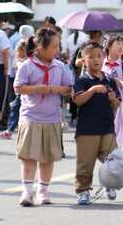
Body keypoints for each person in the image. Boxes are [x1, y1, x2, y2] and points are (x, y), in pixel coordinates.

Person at [14, 28, 73, 207]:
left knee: (47, 157)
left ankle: (43, 190)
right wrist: (38, 88)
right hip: (30, 116)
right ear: (40, 47)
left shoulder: (60, 66)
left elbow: (69, 88)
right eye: (54, 46)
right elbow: (18, 87)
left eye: (58, 46)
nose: (57, 49)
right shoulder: (27, 65)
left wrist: (57, 89)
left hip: (52, 117)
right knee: (29, 157)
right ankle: (27, 191)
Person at [73, 42, 121, 205]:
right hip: (87, 129)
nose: (96, 60)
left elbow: (117, 105)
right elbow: (78, 100)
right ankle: (83, 191)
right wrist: (93, 90)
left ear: (104, 58)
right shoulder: (81, 80)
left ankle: (109, 184)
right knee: (85, 163)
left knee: (113, 159)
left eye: (100, 56)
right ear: (83, 60)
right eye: (91, 56)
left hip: (107, 127)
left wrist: (113, 99)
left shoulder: (110, 80)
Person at [0, 40, 28, 139]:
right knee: (17, 109)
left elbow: (18, 67)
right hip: (20, 89)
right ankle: (13, 129)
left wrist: (18, 63)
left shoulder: (25, 62)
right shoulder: (22, 60)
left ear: (24, 50)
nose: (16, 52)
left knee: (15, 109)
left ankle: (10, 130)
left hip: (23, 90)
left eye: (18, 50)